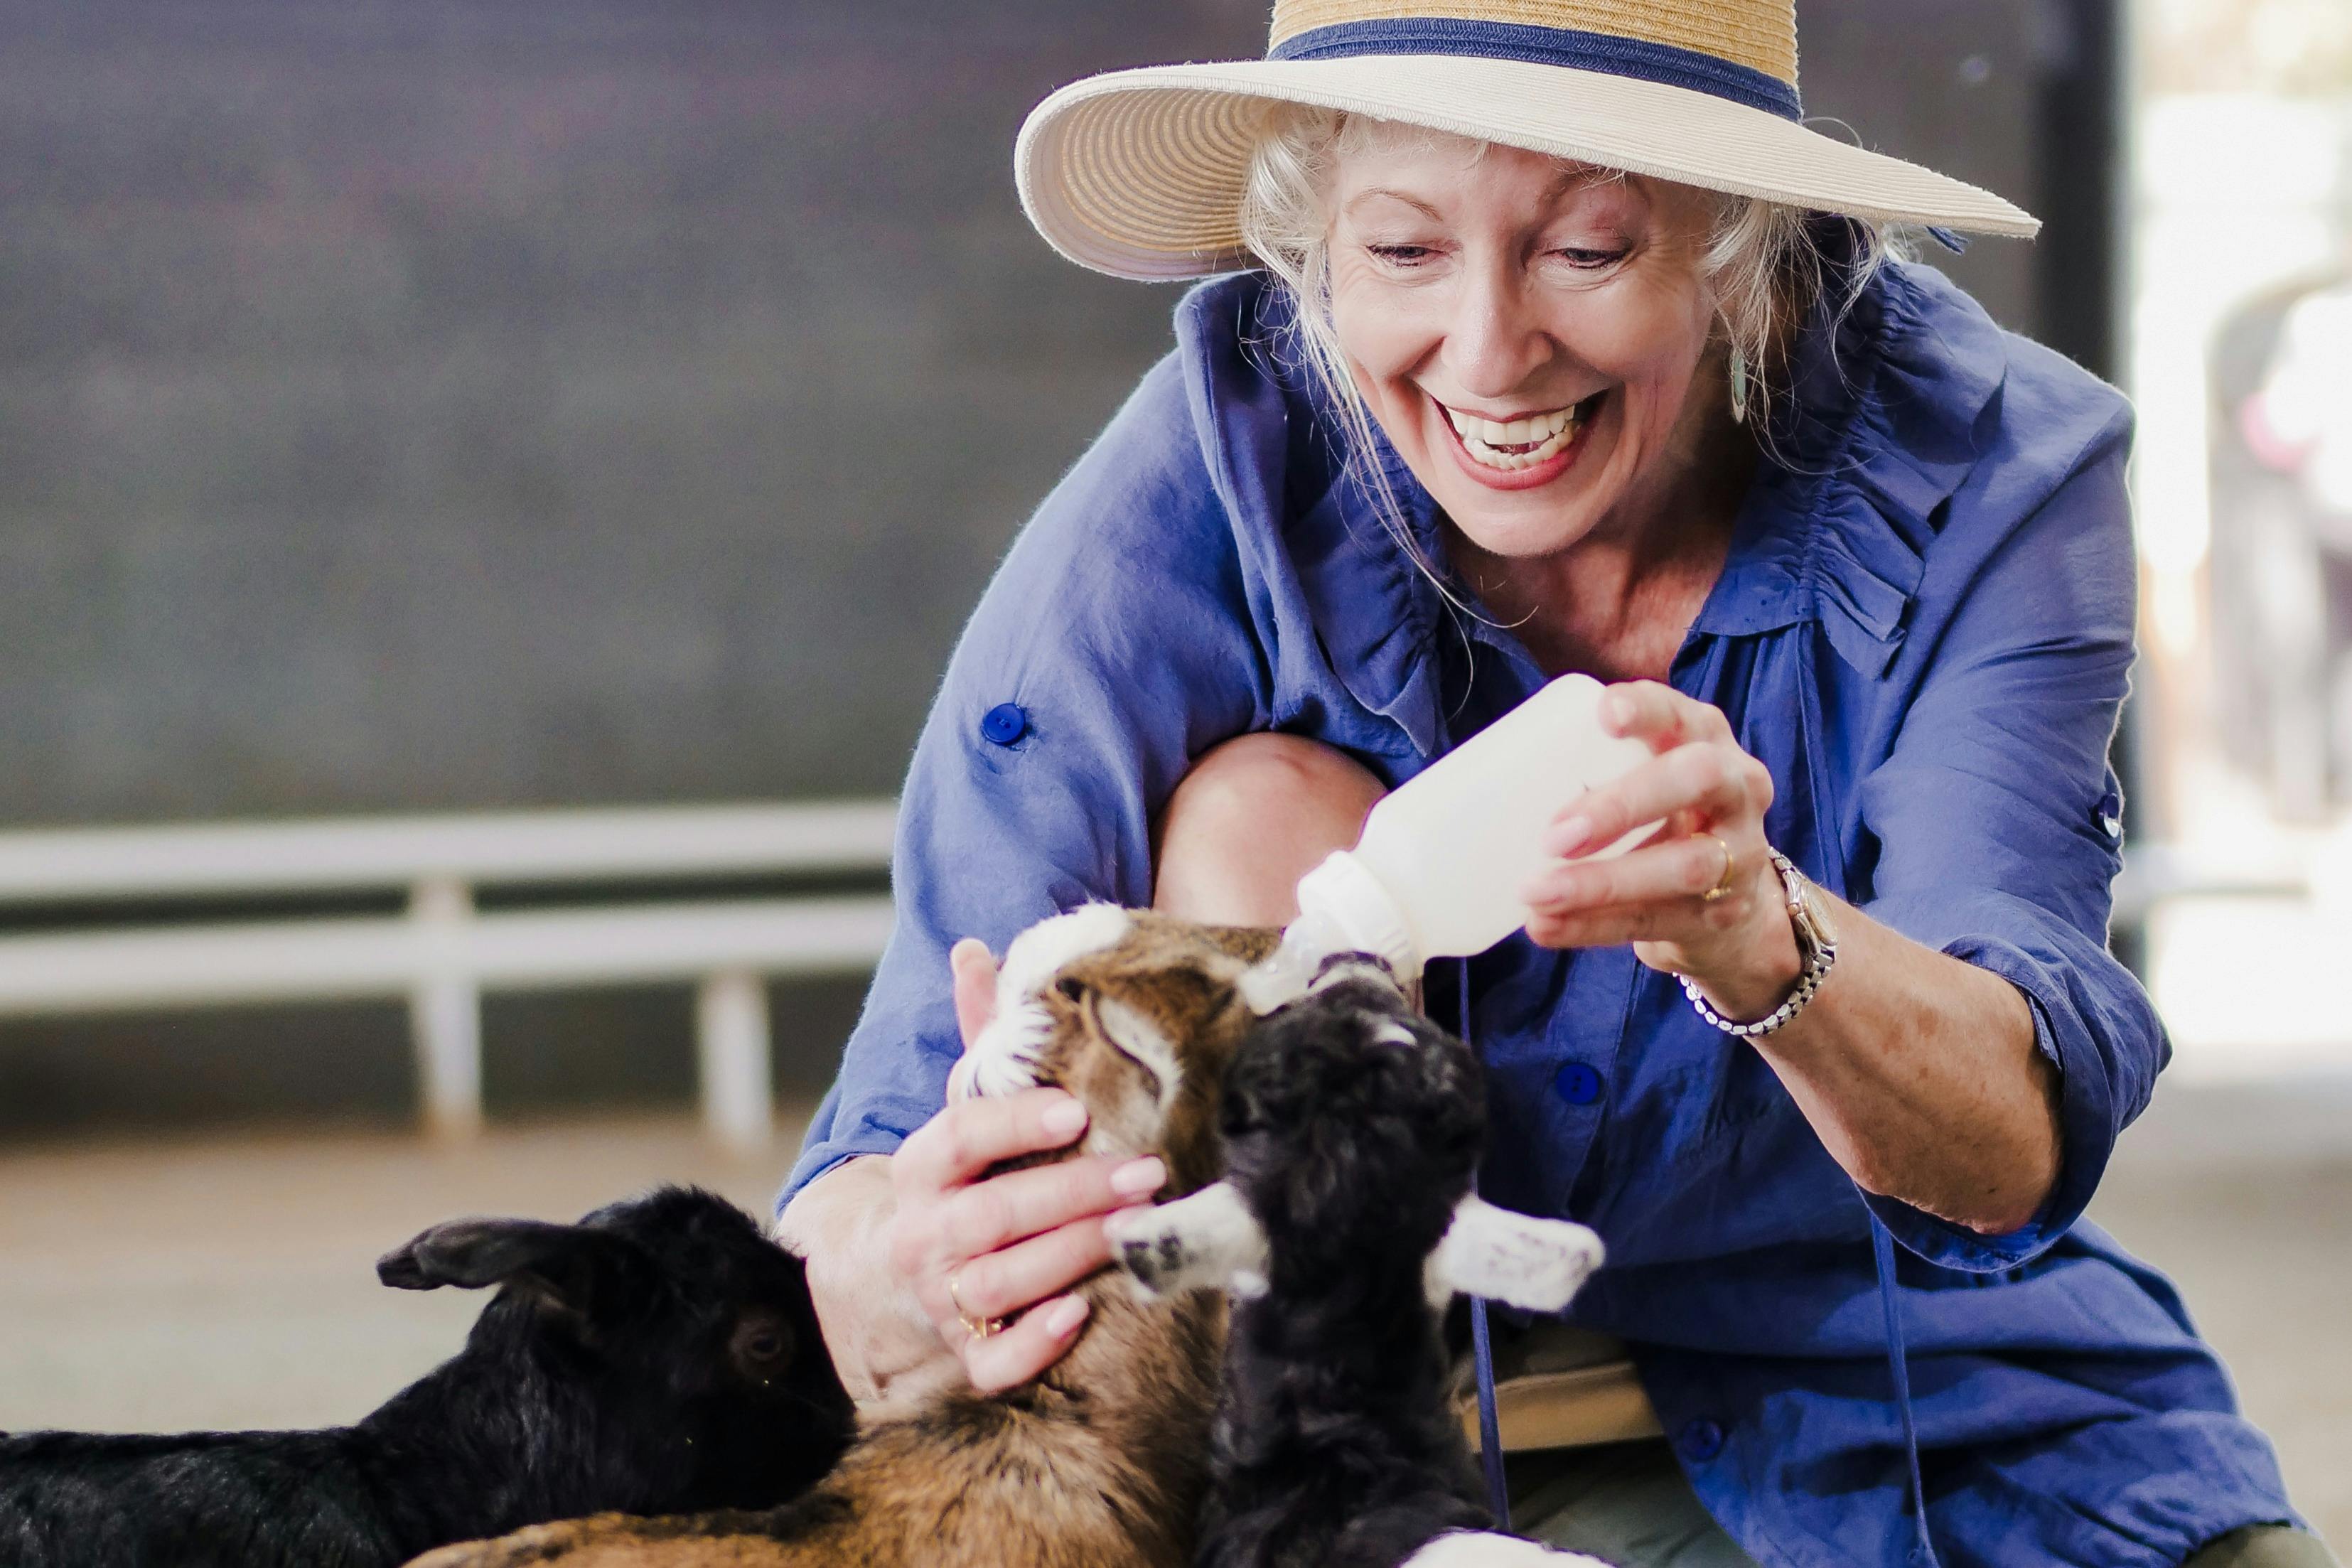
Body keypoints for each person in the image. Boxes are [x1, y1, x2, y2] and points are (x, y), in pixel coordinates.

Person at [774, 1, 2331, 1563]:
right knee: (1257, 805)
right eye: (1397, 253)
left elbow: (2007, 1139)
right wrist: (917, 1259)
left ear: (1742, 245)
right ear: (1310, 245)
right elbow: (878, 1153)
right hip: (1343, 1449)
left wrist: (1762, 935)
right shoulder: (1211, 468)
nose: (1486, 351)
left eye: (1583, 250)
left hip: (1919, 1392)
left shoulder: (1987, 472)